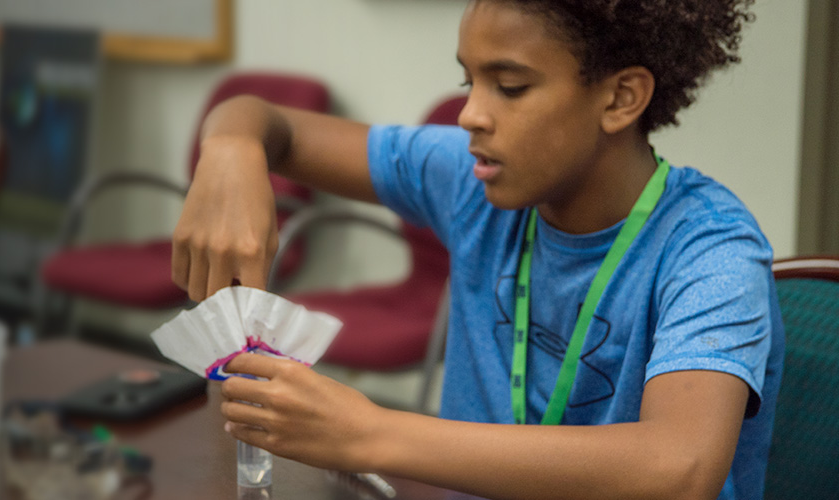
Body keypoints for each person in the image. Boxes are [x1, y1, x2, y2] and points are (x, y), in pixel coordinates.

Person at [169, 0, 784, 499]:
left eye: (509, 86)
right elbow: (265, 120)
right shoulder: (471, 179)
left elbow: (678, 470)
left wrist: (368, 433)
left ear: (621, 98)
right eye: (470, 80)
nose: (469, 114)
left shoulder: (711, 250)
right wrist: (230, 150)